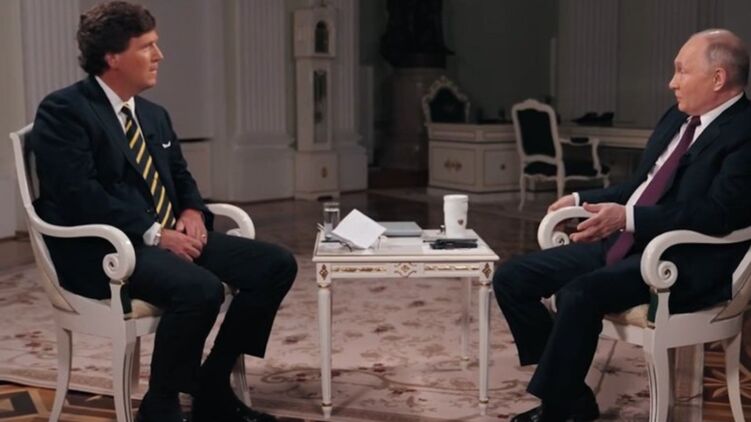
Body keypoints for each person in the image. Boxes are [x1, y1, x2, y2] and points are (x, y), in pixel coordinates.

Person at [30, 2, 297, 421]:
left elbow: (180, 175)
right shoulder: (64, 111)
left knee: (275, 265)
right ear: (113, 57)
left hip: (163, 238)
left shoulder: (154, 115)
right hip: (105, 250)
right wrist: (154, 233)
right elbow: (81, 195)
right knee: (200, 289)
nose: (160, 55)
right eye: (147, 46)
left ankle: (212, 386)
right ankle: (160, 405)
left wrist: (192, 209)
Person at [494, 28, 751, 422]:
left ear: (718, 78)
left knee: (578, 295)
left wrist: (628, 217)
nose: (672, 82)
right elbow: (643, 184)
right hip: (628, 242)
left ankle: (558, 409)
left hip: (681, 260)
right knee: (512, 278)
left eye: (682, 71)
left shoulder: (744, 131)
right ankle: (572, 398)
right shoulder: (677, 117)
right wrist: (581, 199)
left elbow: (717, 213)